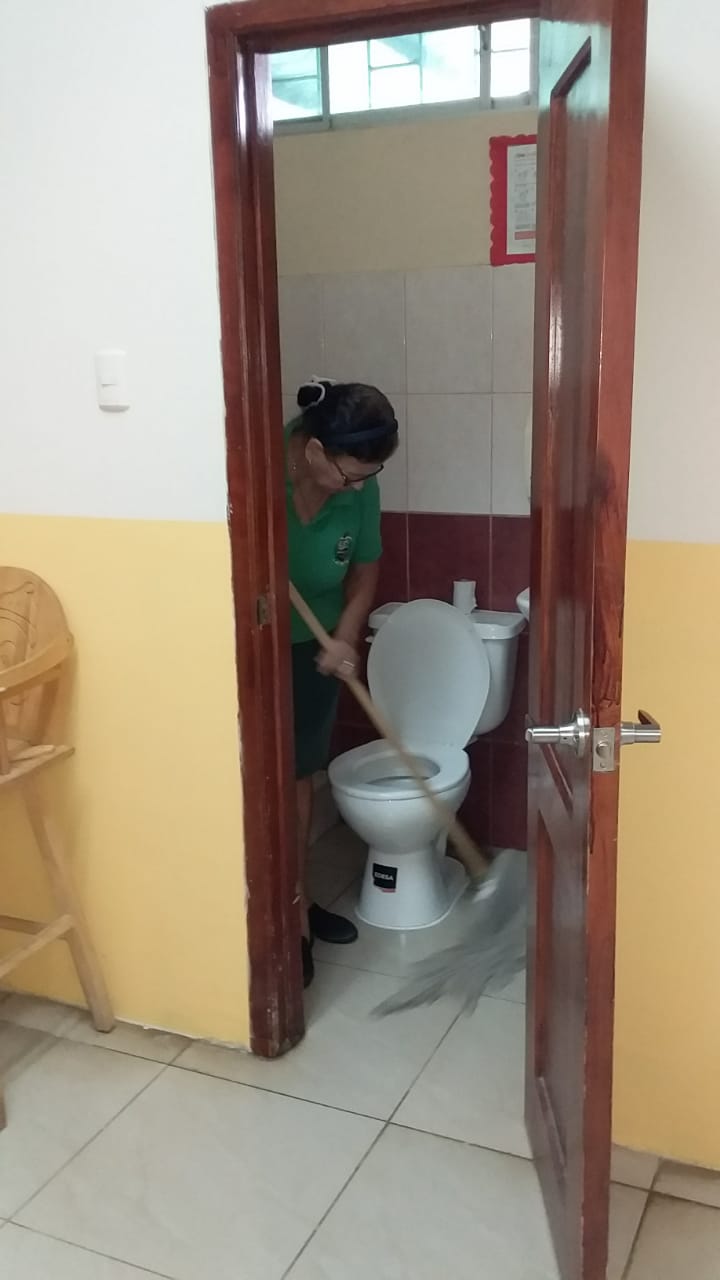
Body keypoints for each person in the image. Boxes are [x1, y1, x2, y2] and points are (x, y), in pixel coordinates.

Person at [286, 377, 399, 989]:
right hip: (253, 645)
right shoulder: (256, 473)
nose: (359, 487)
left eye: (367, 477)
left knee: (301, 777)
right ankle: (280, 916)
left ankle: (296, 906)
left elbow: (365, 567)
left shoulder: (359, 482)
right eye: (349, 476)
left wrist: (346, 635)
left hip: (318, 646)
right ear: (312, 450)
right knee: (264, 782)